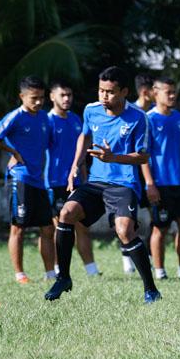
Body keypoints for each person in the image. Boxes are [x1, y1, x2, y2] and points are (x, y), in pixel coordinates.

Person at [44, 66, 161, 303]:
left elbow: (143, 156)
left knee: (125, 231)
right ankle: (63, 278)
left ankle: (150, 289)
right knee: (66, 213)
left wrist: (113, 157)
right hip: (95, 182)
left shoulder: (139, 117)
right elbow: (85, 136)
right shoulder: (91, 110)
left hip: (124, 184)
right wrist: (75, 165)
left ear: (124, 92)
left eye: (110, 92)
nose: (104, 96)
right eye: (101, 91)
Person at [0, 76, 55, 284]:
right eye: (34, 98)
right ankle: (20, 274)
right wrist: (12, 151)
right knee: (18, 227)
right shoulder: (15, 116)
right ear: (22, 96)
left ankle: (50, 274)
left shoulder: (44, 118)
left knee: (47, 228)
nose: (39, 102)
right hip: (20, 178)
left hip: (38, 180)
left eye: (41, 98)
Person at [47, 80, 100, 277]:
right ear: (52, 97)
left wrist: (85, 179)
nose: (67, 98)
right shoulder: (47, 121)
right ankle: (58, 270)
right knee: (59, 228)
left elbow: (83, 155)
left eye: (69, 95)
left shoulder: (77, 120)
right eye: (62, 95)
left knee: (82, 227)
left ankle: (92, 270)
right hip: (54, 183)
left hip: (77, 183)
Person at [145, 76, 180, 280]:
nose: (173, 95)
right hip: (160, 184)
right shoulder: (148, 119)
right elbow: (142, 156)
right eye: (168, 92)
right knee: (160, 228)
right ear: (155, 93)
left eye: (174, 91)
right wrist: (150, 184)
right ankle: (159, 272)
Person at [121, 72, 156, 274]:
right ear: (145, 92)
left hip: (152, 174)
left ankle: (149, 257)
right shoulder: (130, 114)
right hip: (130, 176)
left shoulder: (153, 114)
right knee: (129, 220)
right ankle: (127, 260)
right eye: (155, 89)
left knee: (155, 217)